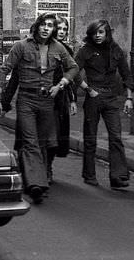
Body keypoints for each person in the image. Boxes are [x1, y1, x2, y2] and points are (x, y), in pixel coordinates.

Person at [0, 12, 79, 204]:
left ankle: (36, 180)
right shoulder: (21, 47)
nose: (47, 28)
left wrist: (61, 84)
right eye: (44, 25)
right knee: (30, 141)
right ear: (37, 26)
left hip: (48, 100)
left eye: (50, 26)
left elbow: (73, 68)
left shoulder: (58, 48)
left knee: (43, 143)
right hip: (26, 100)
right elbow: (4, 70)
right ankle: (36, 185)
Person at [75, 19, 134, 189]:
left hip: (111, 98)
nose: (98, 36)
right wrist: (87, 89)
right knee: (90, 138)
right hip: (93, 97)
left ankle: (118, 176)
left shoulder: (116, 50)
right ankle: (89, 175)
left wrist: (129, 99)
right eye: (95, 33)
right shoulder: (85, 51)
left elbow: (127, 75)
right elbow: (73, 72)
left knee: (116, 136)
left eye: (101, 32)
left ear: (107, 33)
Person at [45, 15, 78, 184]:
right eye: (59, 29)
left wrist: (73, 100)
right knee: (44, 135)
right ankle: (42, 168)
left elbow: (71, 75)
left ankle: (48, 166)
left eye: (65, 29)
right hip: (43, 97)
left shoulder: (68, 51)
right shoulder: (43, 47)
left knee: (56, 136)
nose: (62, 32)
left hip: (60, 100)